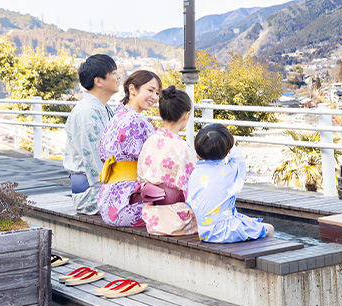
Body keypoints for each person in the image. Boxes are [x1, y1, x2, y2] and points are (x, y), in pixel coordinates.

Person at [186, 123, 274, 243]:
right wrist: (229, 146)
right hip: (225, 231)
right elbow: (238, 158)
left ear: (197, 152)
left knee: (247, 220)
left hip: (204, 231)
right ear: (228, 151)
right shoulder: (229, 170)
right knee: (269, 228)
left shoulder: (195, 173)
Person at [97, 70, 161, 226]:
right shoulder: (135, 119)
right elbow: (151, 160)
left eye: (158, 93)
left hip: (109, 200)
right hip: (128, 201)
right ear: (132, 89)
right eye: (150, 90)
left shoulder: (117, 116)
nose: (154, 97)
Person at [135, 85, 198, 235]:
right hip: (177, 217)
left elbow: (141, 177)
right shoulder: (183, 148)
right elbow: (192, 188)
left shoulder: (150, 142)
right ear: (186, 116)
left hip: (152, 214)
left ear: (159, 113)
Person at [64, 54, 120, 215]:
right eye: (114, 72)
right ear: (99, 81)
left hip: (103, 187)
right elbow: (95, 162)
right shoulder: (87, 112)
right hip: (91, 194)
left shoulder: (103, 107)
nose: (118, 76)